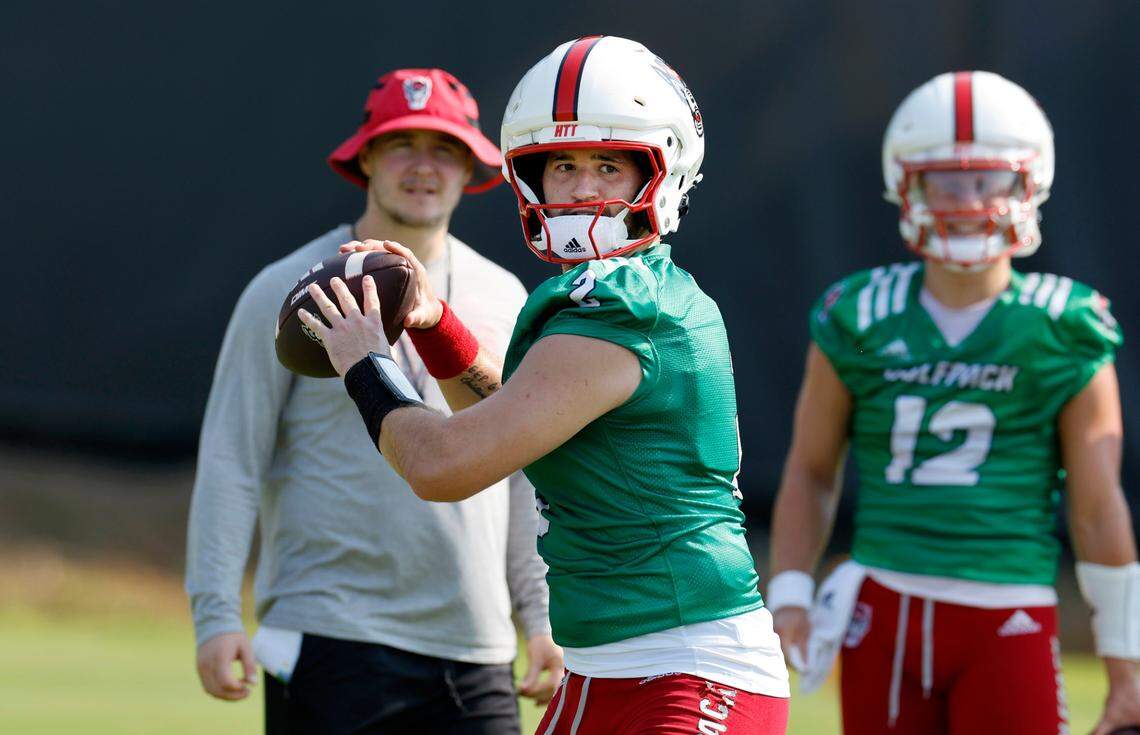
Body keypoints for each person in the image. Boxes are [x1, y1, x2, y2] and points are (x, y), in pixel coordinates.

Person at [297, 36, 790, 735]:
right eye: (562, 165)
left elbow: (444, 464)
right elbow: (514, 421)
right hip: (606, 667)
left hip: (688, 670)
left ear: (663, 170)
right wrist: (434, 323)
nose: (584, 187)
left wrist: (363, 359)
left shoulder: (626, 306)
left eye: (608, 165)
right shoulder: (600, 295)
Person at [185, 67, 561, 735]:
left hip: (473, 647)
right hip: (329, 636)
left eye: (444, 148)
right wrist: (216, 614)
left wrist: (541, 615)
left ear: (471, 166)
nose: (424, 167)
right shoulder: (286, 292)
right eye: (402, 144)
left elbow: (526, 471)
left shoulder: (505, 295)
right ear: (365, 156)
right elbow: (231, 460)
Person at [766, 70, 1140, 734]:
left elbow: (1096, 505)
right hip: (882, 610)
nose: (968, 202)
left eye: (987, 180)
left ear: (1030, 183)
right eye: (946, 181)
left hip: (1006, 608)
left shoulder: (1063, 324)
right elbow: (811, 467)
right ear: (906, 184)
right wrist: (791, 588)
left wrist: (1126, 660)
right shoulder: (860, 312)